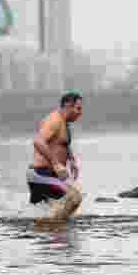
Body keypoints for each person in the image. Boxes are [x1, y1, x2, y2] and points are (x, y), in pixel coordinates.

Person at [27, 92, 84, 220]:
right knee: (74, 198)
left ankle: (53, 226)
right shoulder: (54, 120)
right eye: (78, 108)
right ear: (68, 105)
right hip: (40, 174)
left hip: (51, 175)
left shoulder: (64, 122)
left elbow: (63, 143)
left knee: (53, 211)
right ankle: (55, 224)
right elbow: (38, 141)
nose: (80, 113)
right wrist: (56, 164)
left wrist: (72, 160)